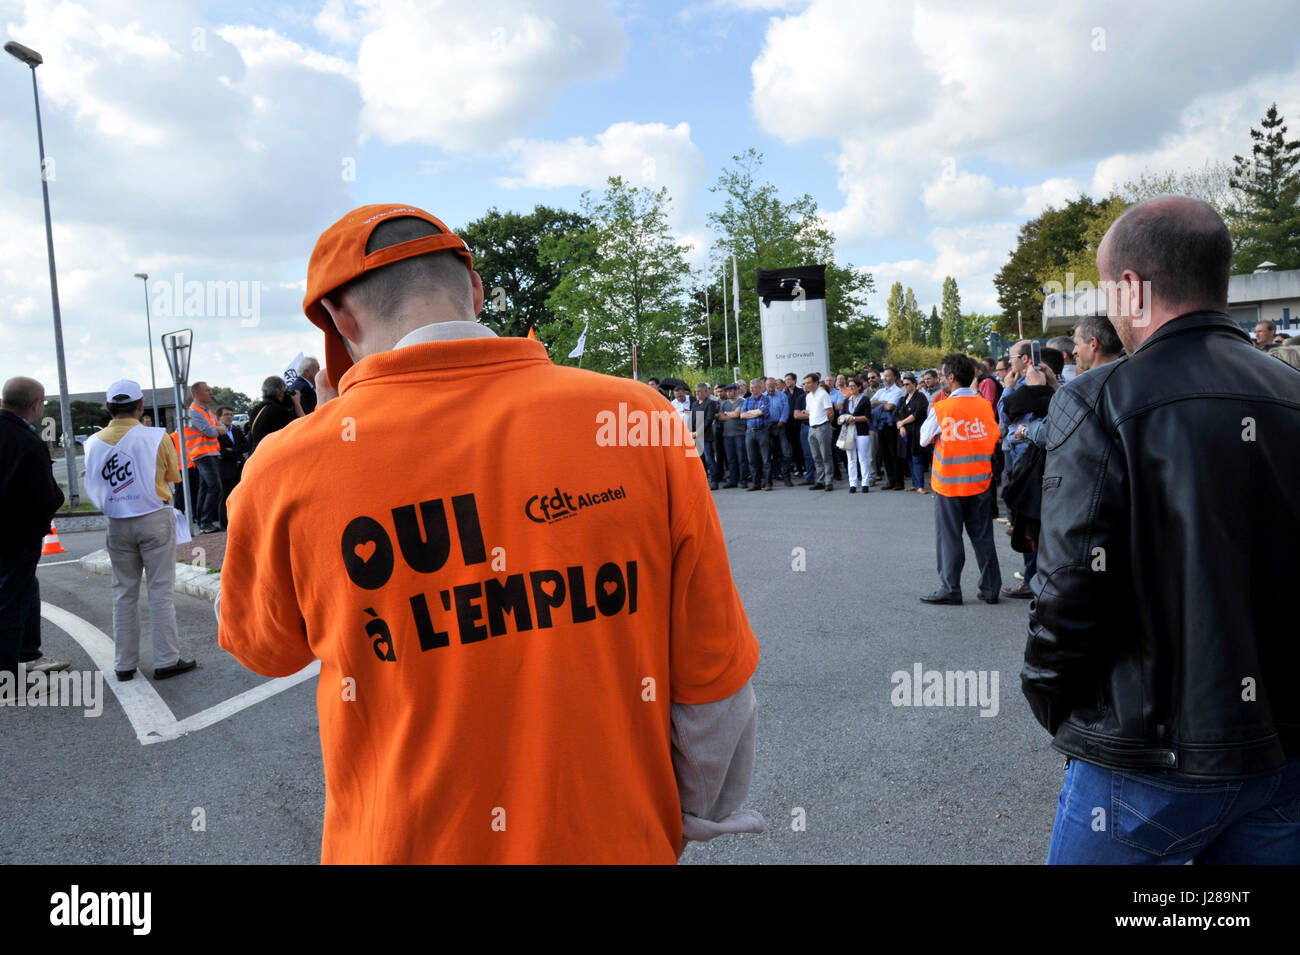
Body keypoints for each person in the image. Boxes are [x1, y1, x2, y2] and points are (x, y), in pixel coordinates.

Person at [218, 203, 761, 864]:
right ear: (475, 290)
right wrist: (680, 817)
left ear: (340, 319)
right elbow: (714, 687)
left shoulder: (284, 467)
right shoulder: (635, 416)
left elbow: (265, 647)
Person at [1023, 195, 1300, 864]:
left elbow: (1068, 587)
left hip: (1144, 755)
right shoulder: (1291, 393)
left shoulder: (1098, 398)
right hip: (1279, 750)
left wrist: (1057, 703)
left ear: (1130, 287)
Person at [83, 380, 194, 681]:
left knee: (123, 592)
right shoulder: (156, 436)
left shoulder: (92, 443)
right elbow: (174, 475)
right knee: (160, 590)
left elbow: (92, 484)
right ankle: (167, 659)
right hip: (154, 516)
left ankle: (124, 664)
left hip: (117, 521)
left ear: (108, 407)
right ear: (140, 406)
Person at [918, 354, 1001, 605]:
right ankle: (990, 589)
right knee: (983, 538)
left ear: (952, 378)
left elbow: (923, 438)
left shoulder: (942, 408)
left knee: (950, 538)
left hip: (949, 484)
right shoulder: (983, 405)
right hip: (980, 482)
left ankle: (951, 588)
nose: (940, 379)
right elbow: (993, 437)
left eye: (942, 375)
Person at [0, 377, 68, 676]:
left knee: (26, 588)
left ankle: (28, 653)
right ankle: (8, 675)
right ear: (34, 404)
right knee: (11, 601)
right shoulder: (27, 441)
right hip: (17, 534)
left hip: (10, 532)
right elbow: (45, 494)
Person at [185, 381, 227, 534]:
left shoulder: (206, 411)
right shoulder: (194, 411)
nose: (211, 393)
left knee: (205, 487)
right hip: (202, 454)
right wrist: (216, 429)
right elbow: (212, 431)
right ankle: (206, 522)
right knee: (215, 486)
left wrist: (215, 429)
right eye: (207, 390)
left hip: (209, 453)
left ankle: (202, 521)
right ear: (197, 393)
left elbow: (221, 428)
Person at [247, 375, 303, 452]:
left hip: (258, 453)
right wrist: (297, 403)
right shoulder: (277, 410)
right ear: (281, 393)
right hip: (273, 453)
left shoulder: (257, 409)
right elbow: (302, 425)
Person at [871, 367, 906, 490]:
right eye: (884, 375)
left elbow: (890, 407)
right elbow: (870, 404)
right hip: (880, 425)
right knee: (884, 454)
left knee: (894, 454)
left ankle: (899, 481)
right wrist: (882, 403)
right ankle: (890, 480)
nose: (885, 378)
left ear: (895, 377)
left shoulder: (898, 391)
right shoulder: (881, 391)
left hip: (891, 426)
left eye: (888, 376)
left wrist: (879, 404)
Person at [895, 373, 930, 494]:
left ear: (914, 384)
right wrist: (901, 426)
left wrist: (902, 422)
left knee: (917, 458)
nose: (905, 387)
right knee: (908, 458)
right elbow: (897, 414)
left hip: (916, 431)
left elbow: (918, 413)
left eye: (907, 384)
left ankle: (920, 485)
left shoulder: (920, 397)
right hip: (905, 433)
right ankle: (914, 484)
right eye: (903, 384)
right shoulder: (902, 399)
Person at [216, 406, 249, 529]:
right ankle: (224, 523)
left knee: (238, 495)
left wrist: (233, 450)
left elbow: (246, 445)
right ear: (219, 417)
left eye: (231, 414)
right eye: (226, 414)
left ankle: (237, 521)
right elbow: (222, 452)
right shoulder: (217, 432)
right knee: (225, 496)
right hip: (225, 469)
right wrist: (237, 453)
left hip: (238, 468)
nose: (229, 417)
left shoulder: (236, 430)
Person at [802, 373, 835, 491]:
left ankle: (828, 481)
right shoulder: (809, 396)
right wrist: (804, 413)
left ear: (816, 383)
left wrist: (827, 424)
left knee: (826, 456)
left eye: (808, 382)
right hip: (812, 427)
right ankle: (820, 480)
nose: (806, 385)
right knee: (816, 456)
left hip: (822, 427)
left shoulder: (823, 394)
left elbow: (830, 412)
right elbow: (809, 411)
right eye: (805, 383)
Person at [740, 377, 772, 491]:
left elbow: (763, 411)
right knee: (752, 459)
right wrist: (756, 412)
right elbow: (742, 415)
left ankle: (768, 483)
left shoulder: (766, 399)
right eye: (751, 388)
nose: (752, 390)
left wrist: (751, 413)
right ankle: (756, 483)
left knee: (766, 458)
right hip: (750, 432)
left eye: (754, 388)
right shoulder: (747, 400)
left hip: (762, 431)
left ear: (760, 388)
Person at [839, 377, 871, 494]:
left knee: (863, 458)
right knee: (851, 458)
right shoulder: (846, 401)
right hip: (849, 432)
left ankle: (865, 483)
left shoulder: (865, 400)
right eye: (849, 386)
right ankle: (852, 484)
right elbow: (843, 415)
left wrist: (854, 418)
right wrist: (846, 419)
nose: (851, 388)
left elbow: (867, 416)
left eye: (853, 386)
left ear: (859, 387)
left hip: (862, 431)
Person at [718, 383, 747, 488]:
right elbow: (720, 417)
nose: (728, 393)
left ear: (736, 391)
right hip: (727, 434)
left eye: (731, 391)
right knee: (731, 459)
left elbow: (737, 414)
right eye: (727, 391)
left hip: (740, 433)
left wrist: (727, 414)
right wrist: (731, 414)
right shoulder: (724, 403)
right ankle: (733, 481)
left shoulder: (742, 401)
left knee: (741, 458)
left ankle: (743, 480)